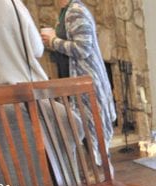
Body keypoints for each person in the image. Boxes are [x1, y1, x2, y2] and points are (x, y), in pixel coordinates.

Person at [41, 0, 116, 148]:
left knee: (91, 133)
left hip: (86, 82)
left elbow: (83, 49)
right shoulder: (66, 11)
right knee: (82, 133)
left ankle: (100, 169)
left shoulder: (76, 11)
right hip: (74, 81)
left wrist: (53, 41)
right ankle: (93, 169)